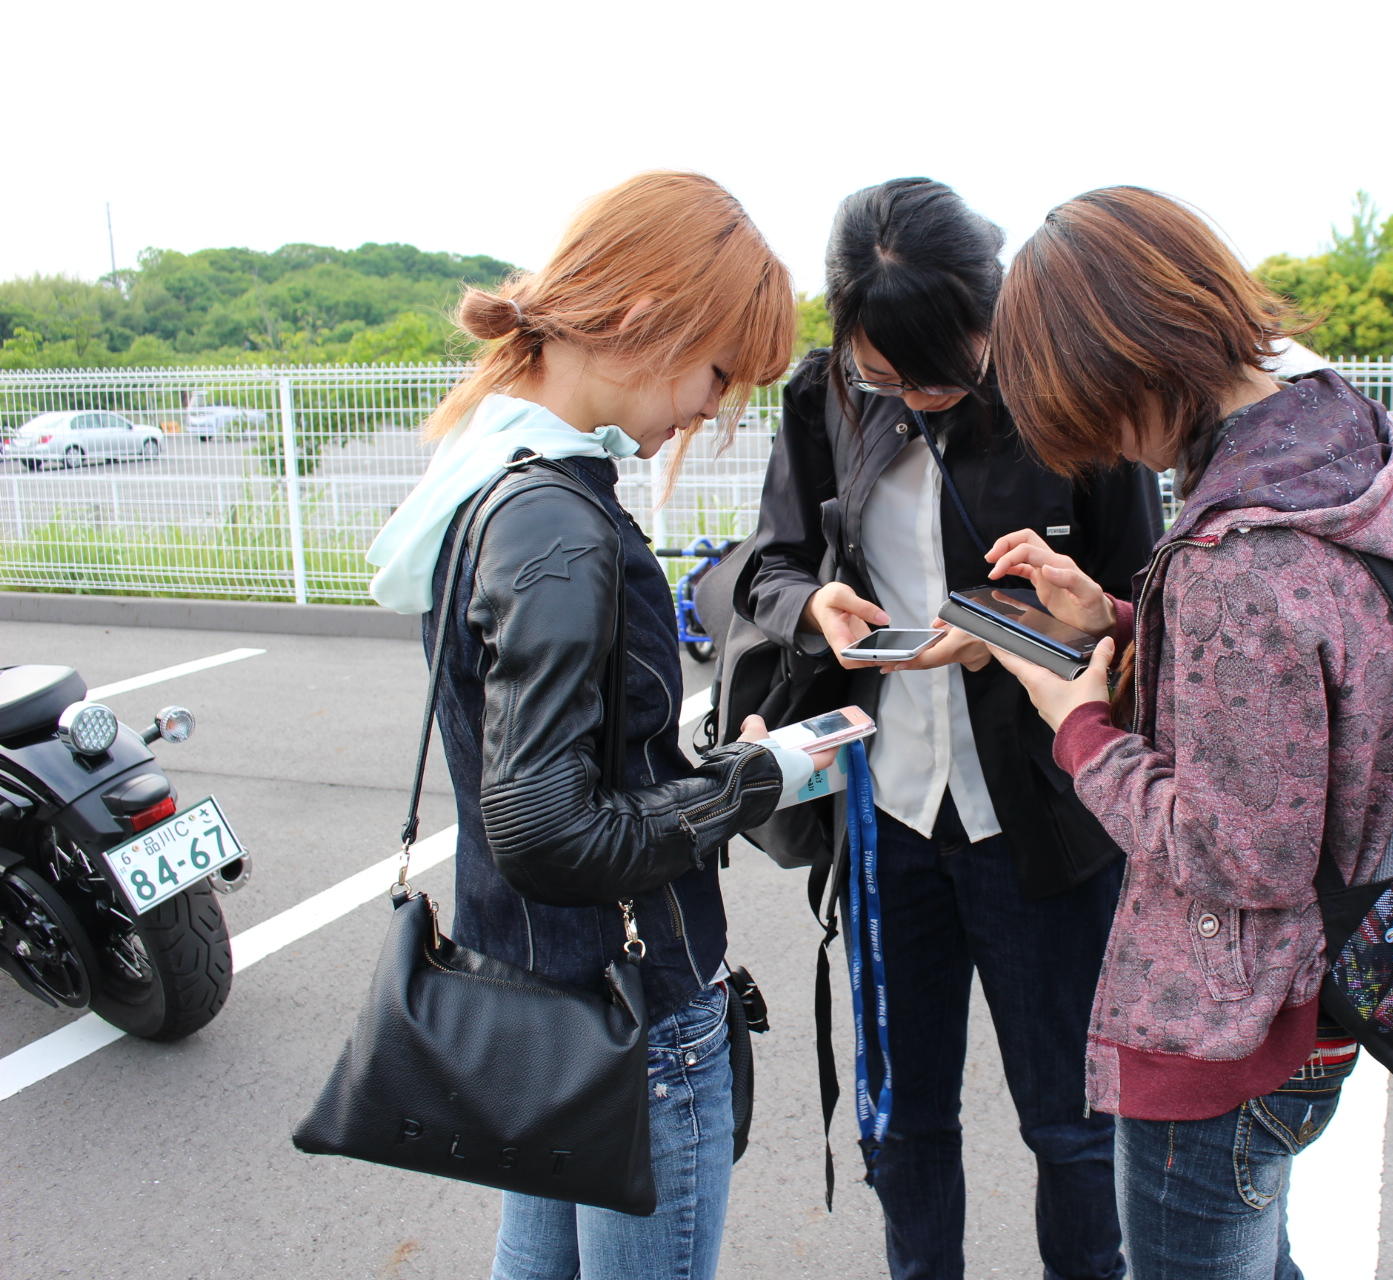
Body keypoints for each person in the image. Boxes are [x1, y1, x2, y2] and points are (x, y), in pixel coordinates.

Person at [983, 186, 1393, 1279]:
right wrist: (1117, 615)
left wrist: (1080, 724)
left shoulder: (1236, 560)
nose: (1112, 449)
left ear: (1133, 363)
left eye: (1099, 415)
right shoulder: (1334, 444)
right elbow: (1302, 692)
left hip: (1227, 1022)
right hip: (1326, 976)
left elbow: (1236, 850)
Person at [365, 171, 827, 1280]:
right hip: (637, 1013)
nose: (715, 407)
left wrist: (709, 766)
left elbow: (552, 781)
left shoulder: (482, 483)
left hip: (534, 994)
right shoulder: (561, 521)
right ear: (646, 315)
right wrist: (759, 777)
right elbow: (546, 824)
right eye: (720, 368)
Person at [741, 178, 1163, 1280]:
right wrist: (811, 609)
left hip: (1045, 817)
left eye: (941, 372)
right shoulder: (823, 395)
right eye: (885, 376)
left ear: (993, 313)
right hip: (886, 817)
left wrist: (1016, 632)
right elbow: (768, 564)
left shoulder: (1069, 397)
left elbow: (1145, 605)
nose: (915, 398)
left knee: (1073, 1126)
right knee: (903, 1118)